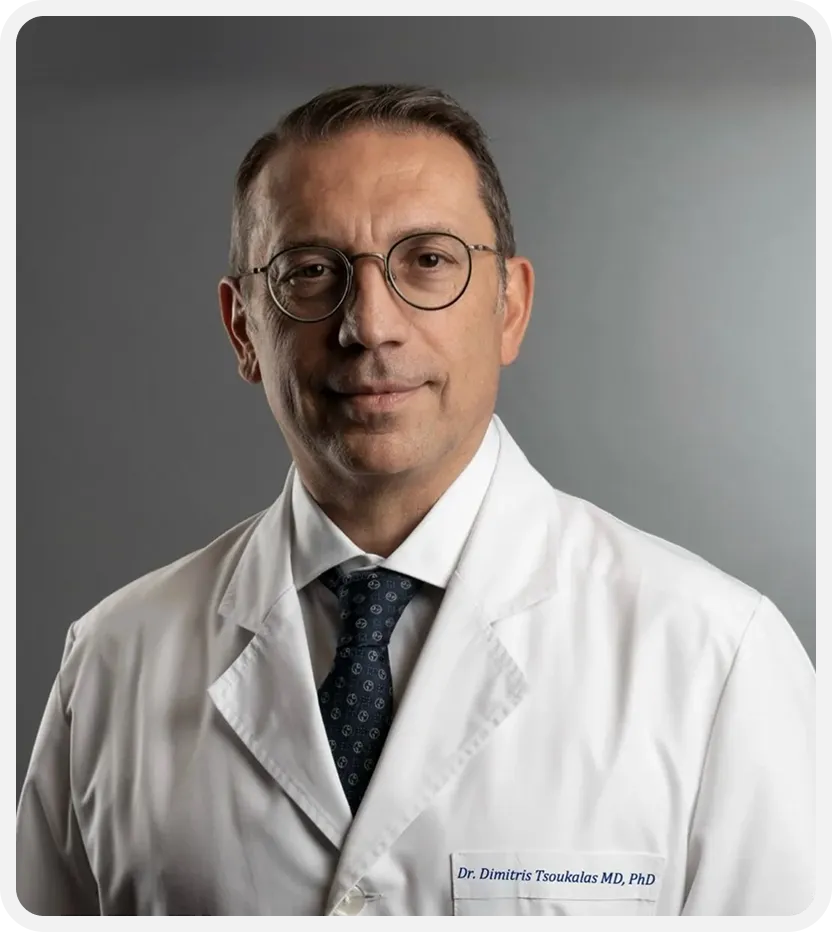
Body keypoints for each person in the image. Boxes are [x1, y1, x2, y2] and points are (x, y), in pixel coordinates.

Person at [16, 83, 815, 918]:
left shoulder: (717, 659)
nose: (370, 325)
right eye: (311, 273)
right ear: (244, 328)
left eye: (427, 260)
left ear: (509, 305)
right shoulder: (111, 662)